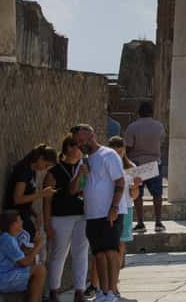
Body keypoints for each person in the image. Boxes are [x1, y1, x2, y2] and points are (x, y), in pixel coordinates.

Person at [73, 124, 126, 302]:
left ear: (92, 136)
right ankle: (103, 292)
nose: (80, 144)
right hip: (92, 214)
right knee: (99, 254)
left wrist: (114, 207)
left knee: (111, 252)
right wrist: (80, 175)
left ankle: (112, 292)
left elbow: (120, 182)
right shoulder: (84, 161)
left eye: (82, 140)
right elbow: (75, 190)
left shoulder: (108, 155)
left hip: (109, 212)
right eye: (77, 142)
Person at [43, 134, 89, 302]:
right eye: (78, 146)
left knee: (81, 253)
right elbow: (47, 201)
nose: (81, 150)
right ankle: (54, 291)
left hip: (81, 215)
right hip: (60, 216)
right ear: (69, 148)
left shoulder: (82, 167)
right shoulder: (53, 172)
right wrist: (47, 224)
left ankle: (80, 291)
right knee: (59, 253)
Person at [0, 210, 47, 299]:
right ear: (13, 225)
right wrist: (38, 245)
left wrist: (32, 249)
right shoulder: (8, 240)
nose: (22, 222)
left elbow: (23, 259)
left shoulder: (9, 238)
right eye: (19, 220)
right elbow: (24, 263)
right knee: (40, 270)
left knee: (37, 269)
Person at [124, 101, 166, 233]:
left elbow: (128, 146)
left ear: (139, 112)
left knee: (137, 195)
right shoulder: (159, 126)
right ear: (152, 112)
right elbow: (161, 141)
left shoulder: (132, 127)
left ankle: (140, 223)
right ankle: (158, 223)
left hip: (137, 164)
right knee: (157, 194)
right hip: (154, 164)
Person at [5, 144, 59, 243]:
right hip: (15, 217)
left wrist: (34, 213)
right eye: (46, 165)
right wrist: (42, 194)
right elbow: (17, 199)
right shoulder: (23, 170)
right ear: (40, 158)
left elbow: (26, 197)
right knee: (31, 245)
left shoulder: (32, 171)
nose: (45, 169)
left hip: (24, 215)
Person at [108, 136, 142, 273]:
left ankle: (116, 273)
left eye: (120, 152)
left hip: (126, 207)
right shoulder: (106, 166)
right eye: (115, 152)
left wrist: (135, 186)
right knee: (109, 243)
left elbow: (134, 196)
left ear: (125, 150)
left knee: (121, 243)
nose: (118, 155)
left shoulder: (131, 167)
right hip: (108, 207)